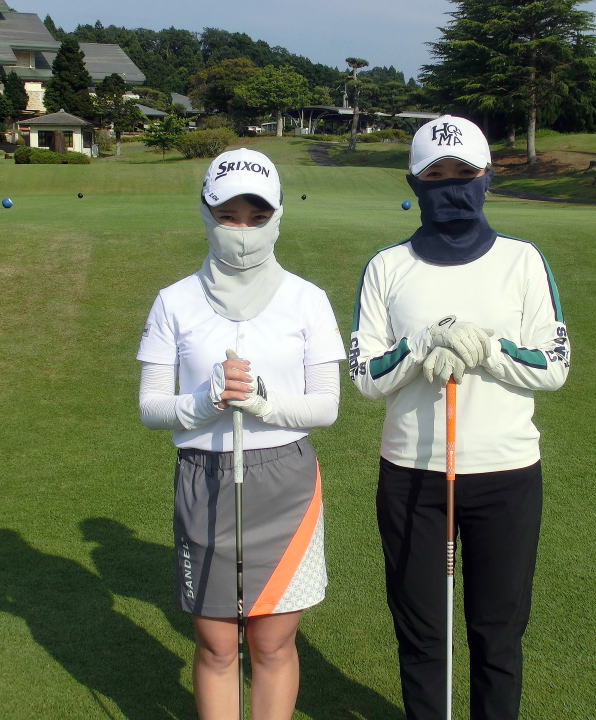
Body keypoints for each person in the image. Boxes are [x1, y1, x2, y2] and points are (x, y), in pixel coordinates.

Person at [349, 115, 570, 719]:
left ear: (488, 177)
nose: (451, 186)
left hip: (506, 475)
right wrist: (422, 344)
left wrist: (488, 349)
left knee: (498, 635)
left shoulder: (522, 261)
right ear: (413, 183)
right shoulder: (387, 267)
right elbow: (365, 376)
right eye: (436, 175)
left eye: (464, 173)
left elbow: (553, 366)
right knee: (422, 634)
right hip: (413, 476)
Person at [137, 148, 346, 720]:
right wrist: (204, 400)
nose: (243, 230)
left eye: (257, 217)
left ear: (277, 216)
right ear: (206, 214)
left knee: (272, 645)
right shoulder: (174, 301)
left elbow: (326, 407)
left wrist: (262, 402)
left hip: (284, 482)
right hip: (203, 479)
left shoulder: (307, 299)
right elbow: (151, 407)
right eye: (229, 215)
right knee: (216, 646)